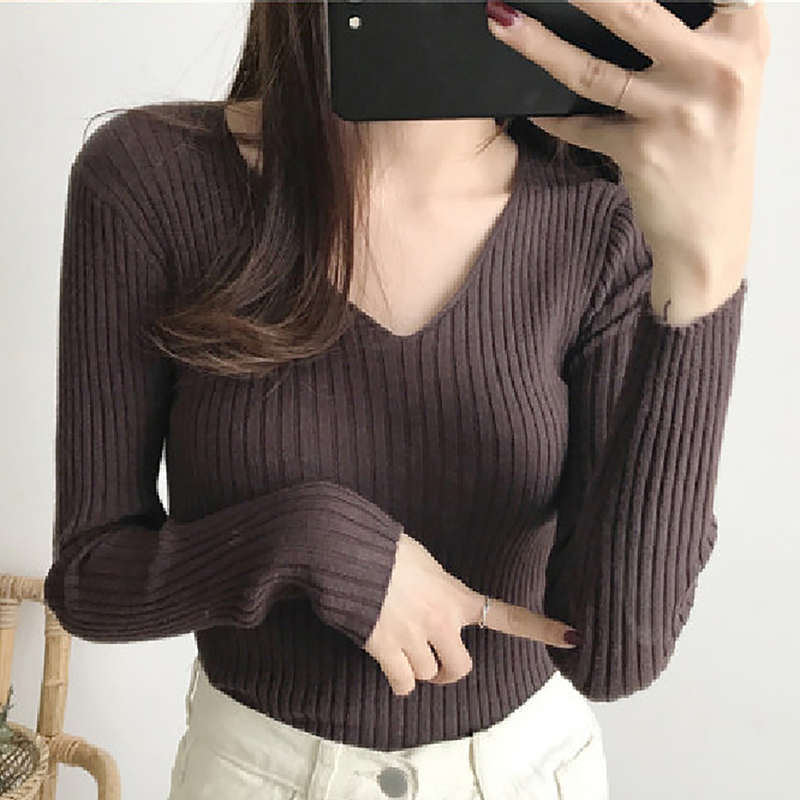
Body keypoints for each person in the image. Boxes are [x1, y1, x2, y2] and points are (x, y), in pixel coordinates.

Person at [43, 1, 767, 798]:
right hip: (256, 775)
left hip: (522, 776)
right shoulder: (151, 179)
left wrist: (706, 271)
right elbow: (90, 580)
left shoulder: (603, 217)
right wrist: (314, 541)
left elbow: (614, 656)